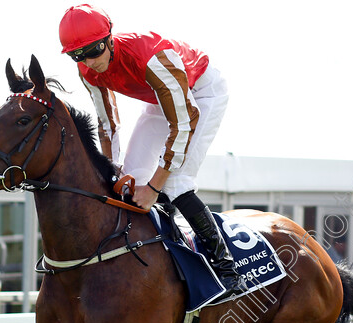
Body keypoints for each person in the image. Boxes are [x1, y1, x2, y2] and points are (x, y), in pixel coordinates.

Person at [58, 4, 246, 296]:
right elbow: (107, 124)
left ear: (109, 39)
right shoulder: (87, 72)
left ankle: (228, 271)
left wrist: (155, 188)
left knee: (174, 182)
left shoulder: (152, 58)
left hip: (202, 93)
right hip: (162, 99)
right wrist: (112, 165)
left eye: (93, 51)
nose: (88, 62)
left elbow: (184, 123)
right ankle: (164, 256)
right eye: (76, 55)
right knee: (129, 180)